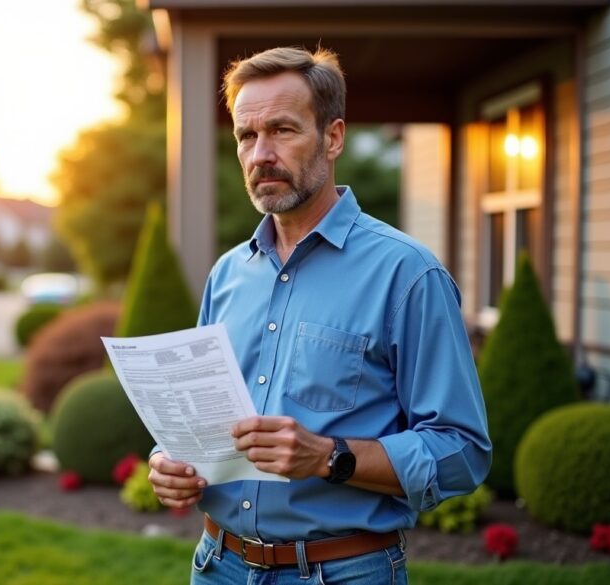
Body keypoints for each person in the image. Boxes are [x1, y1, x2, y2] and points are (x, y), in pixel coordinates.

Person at [147, 46, 492, 584]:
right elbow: (200, 416)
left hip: (343, 572)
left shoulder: (407, 274)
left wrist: (331, 457)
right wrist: (171, 462)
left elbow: (462, 452)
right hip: (218, 565)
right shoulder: (228, 274)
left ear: (333, 137)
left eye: (282, 130)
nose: (261, 154)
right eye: (246, 135)